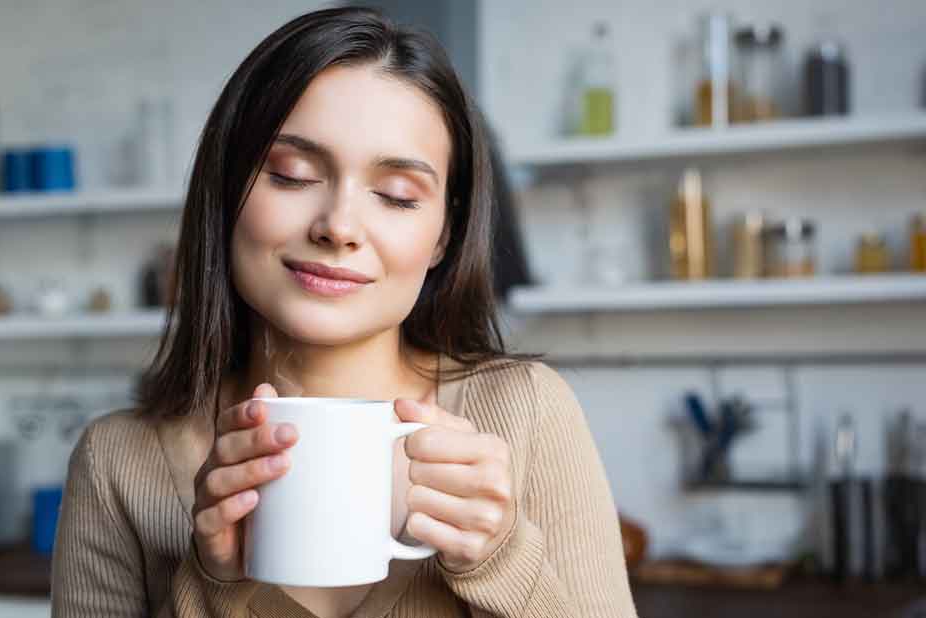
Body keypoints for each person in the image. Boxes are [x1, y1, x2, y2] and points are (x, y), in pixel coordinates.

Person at [52, 7, 636, 618]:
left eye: (396, 196)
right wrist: (214, 582)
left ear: (443, 235)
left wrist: (502, 559)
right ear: (226, 191)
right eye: (291, 175)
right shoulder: (117, 462)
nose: (339, 227)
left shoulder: (527, 414)